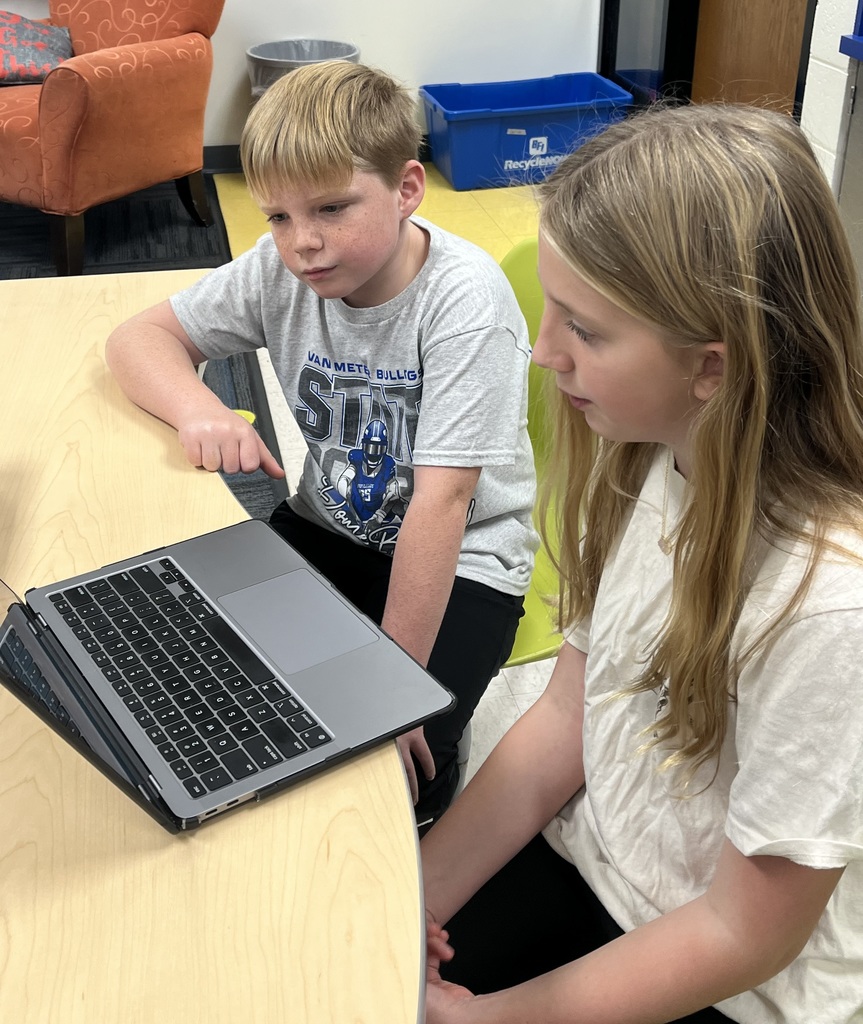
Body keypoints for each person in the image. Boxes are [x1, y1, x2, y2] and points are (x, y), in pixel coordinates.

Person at [421, 102, 863, 1023]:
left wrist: (483, 1018)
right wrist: (406, 898)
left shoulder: (828, 607)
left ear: (711, 367)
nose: (542, 355)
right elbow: (565, 718)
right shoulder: (648, 459)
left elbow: (745, 934)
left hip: (738, 980)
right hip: (606, 865)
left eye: (582, 330)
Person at [104, 60, 536, 829]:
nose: (302, 243)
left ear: (406, 189)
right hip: (329, 529)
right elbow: (139, 338)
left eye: (332, 208)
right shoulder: (281, 268)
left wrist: (392, 688)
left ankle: (431, 798)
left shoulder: (464, 302)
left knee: (382, 770)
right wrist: (199, 407)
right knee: (214, 699)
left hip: (464, 559)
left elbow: (443, 503)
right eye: (276, 216)